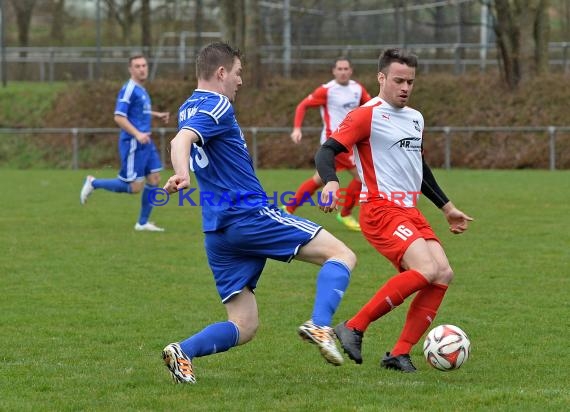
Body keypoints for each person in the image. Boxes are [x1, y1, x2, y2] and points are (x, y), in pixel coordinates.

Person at [160, 42, 357, 384]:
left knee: (244, 324)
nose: (240, 81)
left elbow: (179, 140)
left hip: (217, 231)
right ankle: (319, 323)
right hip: (249, 217)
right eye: (237, 74)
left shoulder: (186, 106)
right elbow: (180, 142)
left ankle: (182, 351)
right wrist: (183, 173)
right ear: (221, 73)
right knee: (342, 254)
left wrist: (180, 170)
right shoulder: (218, 103)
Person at [314, 48, 473, 372]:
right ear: (381, 77)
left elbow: (419, 168)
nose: (405, 87)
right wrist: (331, 182)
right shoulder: (366, 114)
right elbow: (326, 150)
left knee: (442, 273)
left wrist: (447, 207)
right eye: (398, 80)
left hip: (409, 210)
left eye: (410, 82)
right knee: (426, 269)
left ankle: (398, 353)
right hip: (379, 209)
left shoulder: (415, 118)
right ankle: (354, 326)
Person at [79, 54, 170, 232]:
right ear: (130, 69)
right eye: (137, 66)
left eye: (144, 65)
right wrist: (137, 134)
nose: (142, 69)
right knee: (134, 187)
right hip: (134, 142)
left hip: (146, 140)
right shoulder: (128, 89)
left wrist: (156, 115)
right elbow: (119, 117)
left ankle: (142, 223)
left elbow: (139, 112)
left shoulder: (141, 90)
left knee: (155, 178)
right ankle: (93, 183)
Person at [285, 57, 372, 231]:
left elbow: (371, 107)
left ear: (351, 70)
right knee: (361, 177)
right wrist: (296, 128)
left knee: (318, 179)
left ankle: (288, 209)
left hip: (351, 141)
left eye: (346, 68)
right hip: (334, 142)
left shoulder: (357, 89)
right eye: (339, 69)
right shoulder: (327, 90)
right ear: (334, 71)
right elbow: (302, 105)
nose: (343, 72)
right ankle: (345, 214)